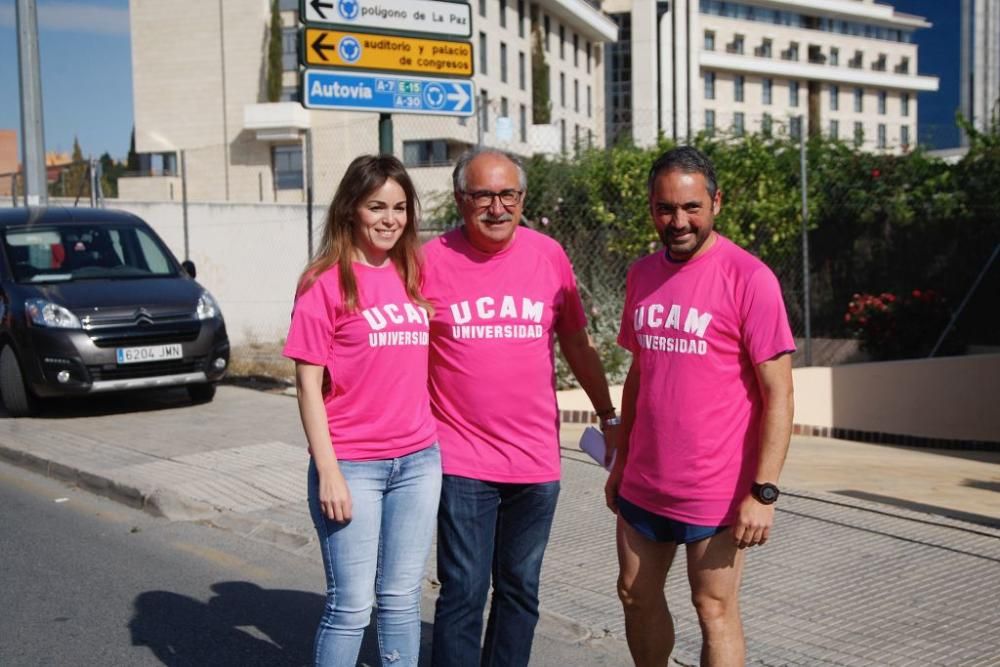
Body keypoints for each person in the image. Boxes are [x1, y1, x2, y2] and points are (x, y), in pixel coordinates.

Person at [423, 147, 620, 667]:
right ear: (461, 199)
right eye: (483, 195)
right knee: (463, 591)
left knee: (520, 590)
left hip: (536, 463)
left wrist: (609, 415)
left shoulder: (548, 255)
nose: (496, 207)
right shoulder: (427, 261)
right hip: (461, 461)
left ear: (522, 198)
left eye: (507, 194)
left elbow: (577, 343)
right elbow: (399, 350)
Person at [606, 146, 795, 666]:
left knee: (713, 608)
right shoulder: (642, 275)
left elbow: (779, 393)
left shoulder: (749, 278)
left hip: (717, 488)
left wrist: (764, 491)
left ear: (717, 202)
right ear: (651, 208)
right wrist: (620, 460)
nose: (678, 221)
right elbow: (640, 375)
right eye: (666, 208)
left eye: (691, 207)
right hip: (645, 479)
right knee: (633, 594)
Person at [283, 154, 441, 667]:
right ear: (352, 208)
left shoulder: (412, 271)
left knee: (401, 600)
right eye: (377, 206)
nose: (390, 219)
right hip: (353, 466)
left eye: (399, 208)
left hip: (418, 462)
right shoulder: (324, 281)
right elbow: (307, 386)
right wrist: (328, 472)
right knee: (352, 606)